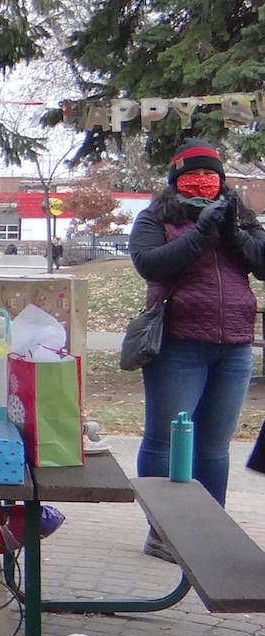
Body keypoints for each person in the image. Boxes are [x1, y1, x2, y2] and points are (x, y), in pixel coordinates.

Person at [129, 138, 265, 563]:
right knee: (164, 440)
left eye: (212, 175)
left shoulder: (240, 216)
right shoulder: (156, 216)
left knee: (214, 446)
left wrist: (231, 233)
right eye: (193, 176)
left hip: (235, 347)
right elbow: (150, 263)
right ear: (176, 180)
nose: (204, 183)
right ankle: (162, 531)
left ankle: (211, 532)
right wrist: (201, 231)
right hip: (178, 345)